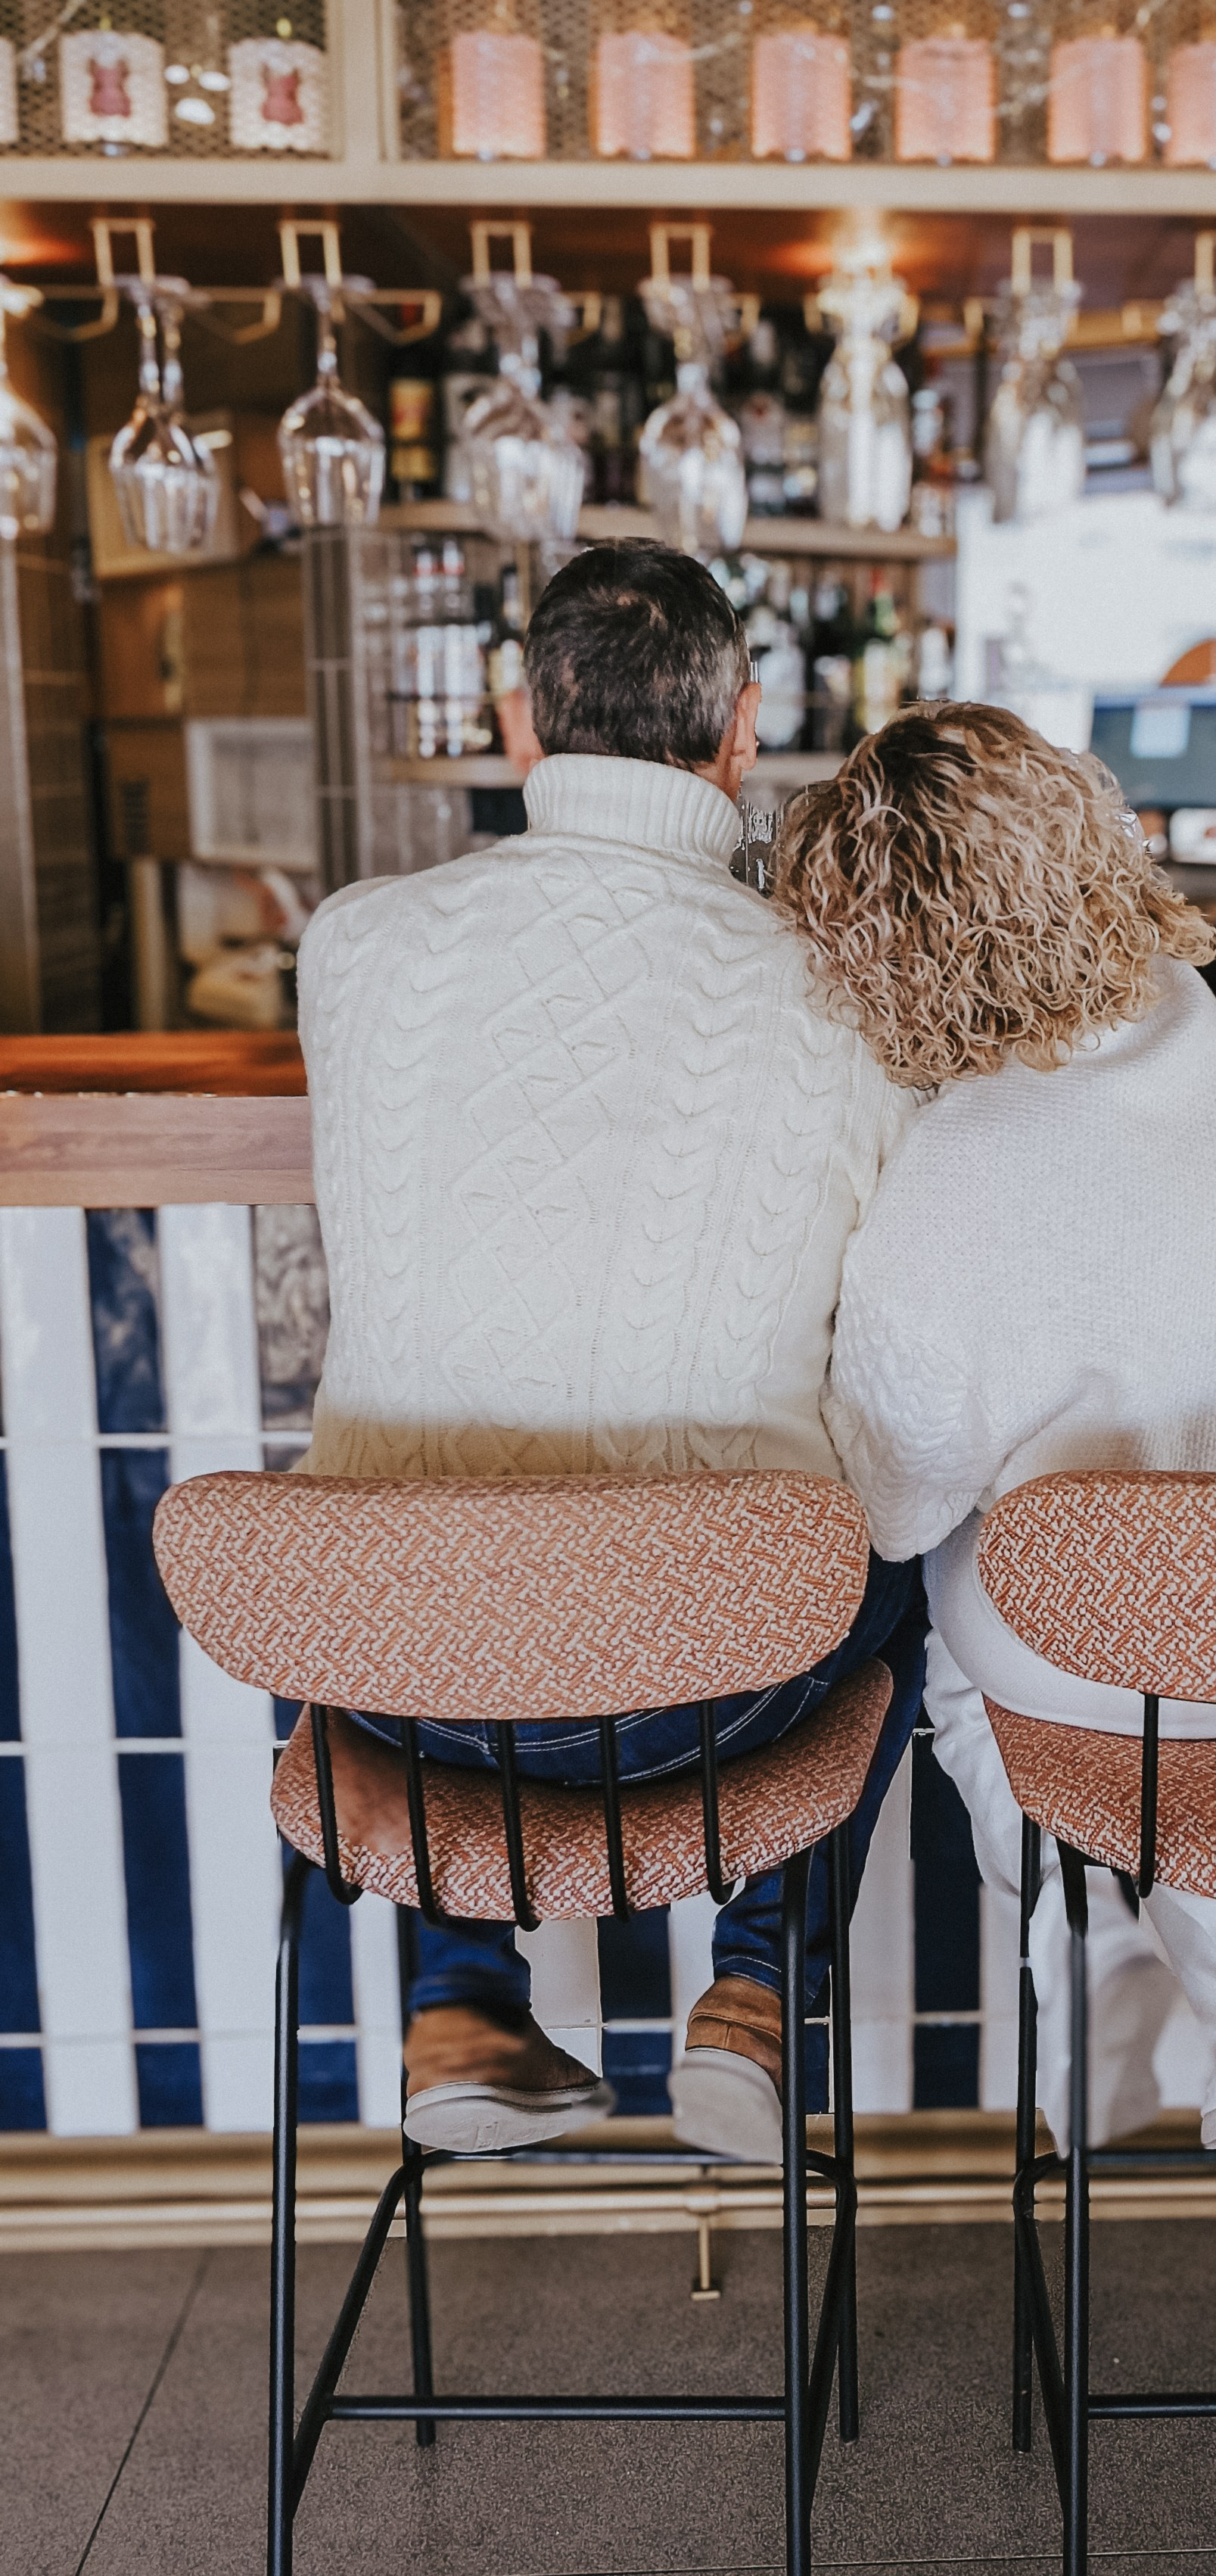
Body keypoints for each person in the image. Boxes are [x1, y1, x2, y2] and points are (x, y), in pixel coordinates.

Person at [295, 541, 923, 2162]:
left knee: (397, 1549)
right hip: (713, 1699)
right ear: (742, 732)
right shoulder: (846, 991)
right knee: (913, 1532)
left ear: (522, 720)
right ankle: (758, 1996)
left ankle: (455, 2004)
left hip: (403, 1685)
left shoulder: (352, 950)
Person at [777, 702, 1216, 2153]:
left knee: (944, 1606)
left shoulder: (943, 1186)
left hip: (1140, 1662)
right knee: (1154, 1626)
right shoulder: (1190, 1028)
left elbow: (886, 1496)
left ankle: (1080, 1940)